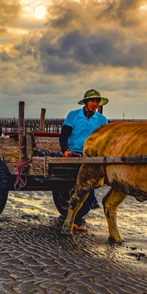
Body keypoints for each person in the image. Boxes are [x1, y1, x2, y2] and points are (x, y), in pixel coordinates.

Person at [59, 89, 109, 224]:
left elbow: (106, 139)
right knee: (81, 175)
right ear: (86, 102)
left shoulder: (102, 119)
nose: (95, 104)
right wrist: (65, 150)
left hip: (91, 154)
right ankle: (87, 199)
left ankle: (87, 199)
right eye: (92, 101)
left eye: (97, 101)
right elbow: (64, 135)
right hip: (73, 152)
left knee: (91, 174)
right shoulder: (73, 115)